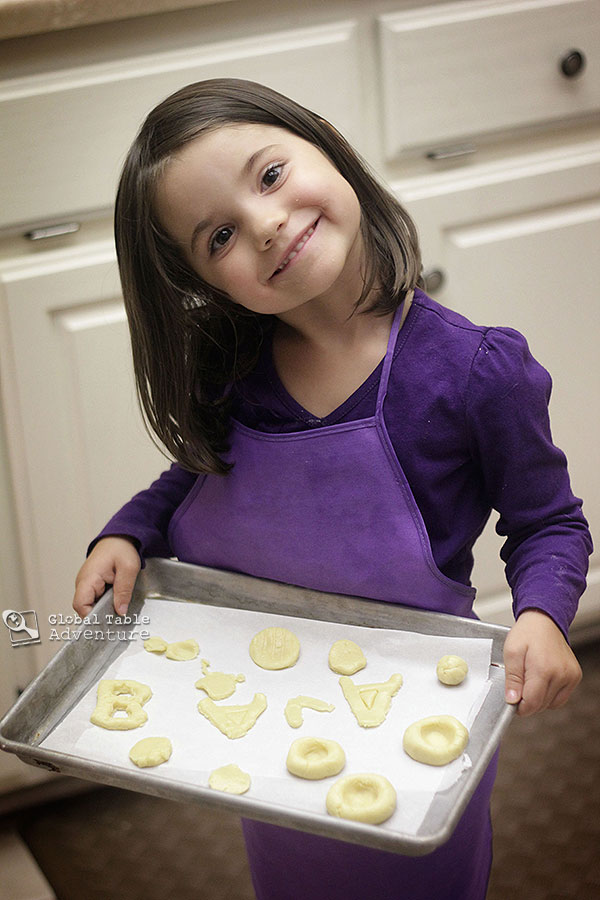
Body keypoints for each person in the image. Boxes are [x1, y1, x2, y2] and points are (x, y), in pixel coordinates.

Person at [72, 78, 592, 899]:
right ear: (205, 279)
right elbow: (198, 475)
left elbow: (549, 523)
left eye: (270, 175)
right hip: (272, 706)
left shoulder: (475, 373)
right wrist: (128, 531)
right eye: (219, 235)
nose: (266, 224)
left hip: (423, 708)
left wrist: (542, 615)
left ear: (325, 140)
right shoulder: (232, 371)